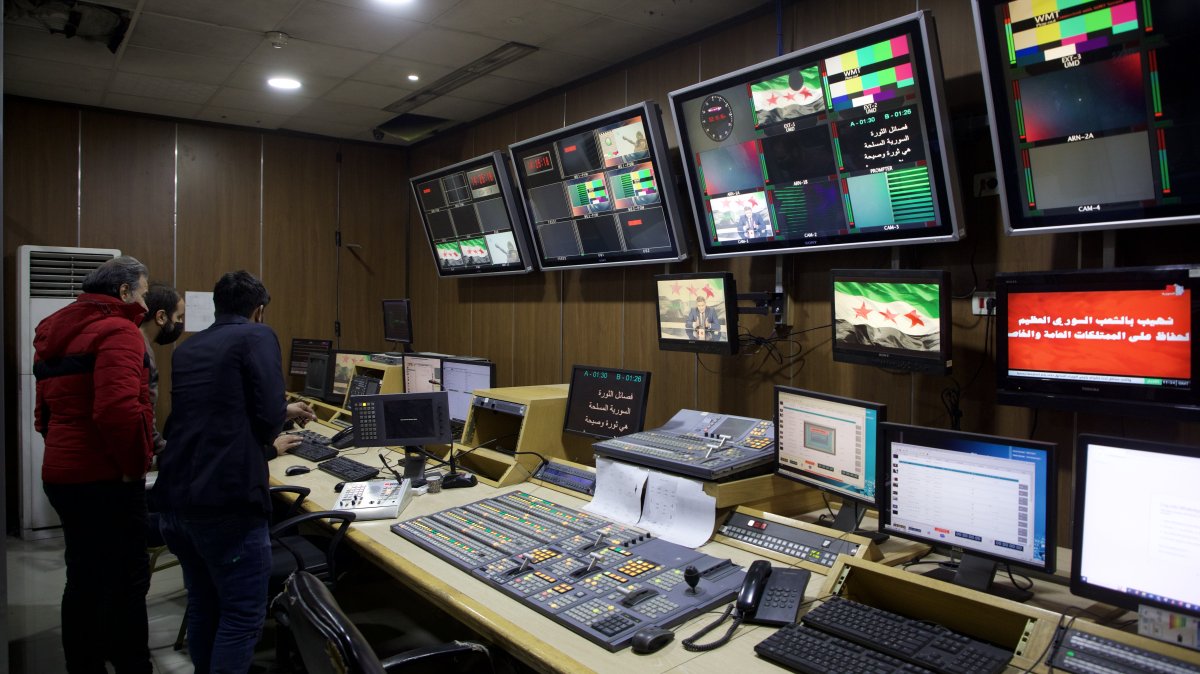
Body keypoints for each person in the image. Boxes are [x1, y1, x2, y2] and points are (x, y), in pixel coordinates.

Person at [150, 270, 315, 674]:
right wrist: (271, 436)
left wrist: (280, 413)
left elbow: (212, 410)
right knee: (242, 618)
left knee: (206, 605)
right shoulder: (257, 336)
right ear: (259, 310)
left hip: (176, 501)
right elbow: (265, 421)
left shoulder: (190, 347)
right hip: (226, 500)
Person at [34, 255, 154, 674]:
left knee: (83, 578)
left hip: (63, 472)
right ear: (123, 292)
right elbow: (118, 411)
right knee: (126, 580)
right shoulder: (119, 331)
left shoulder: (54, 330)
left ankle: (83, 664)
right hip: (105, 477)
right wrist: (134, 467)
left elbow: (43, 413)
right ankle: (132, 665)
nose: (144, 301)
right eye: (142, 291)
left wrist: (64, 450)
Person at [139, 283, 185, 455]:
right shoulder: (141, 351)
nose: (180, 324)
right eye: (179, 317)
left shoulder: (138, 345)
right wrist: (163, 449)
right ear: (161, 317)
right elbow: (143, 413)